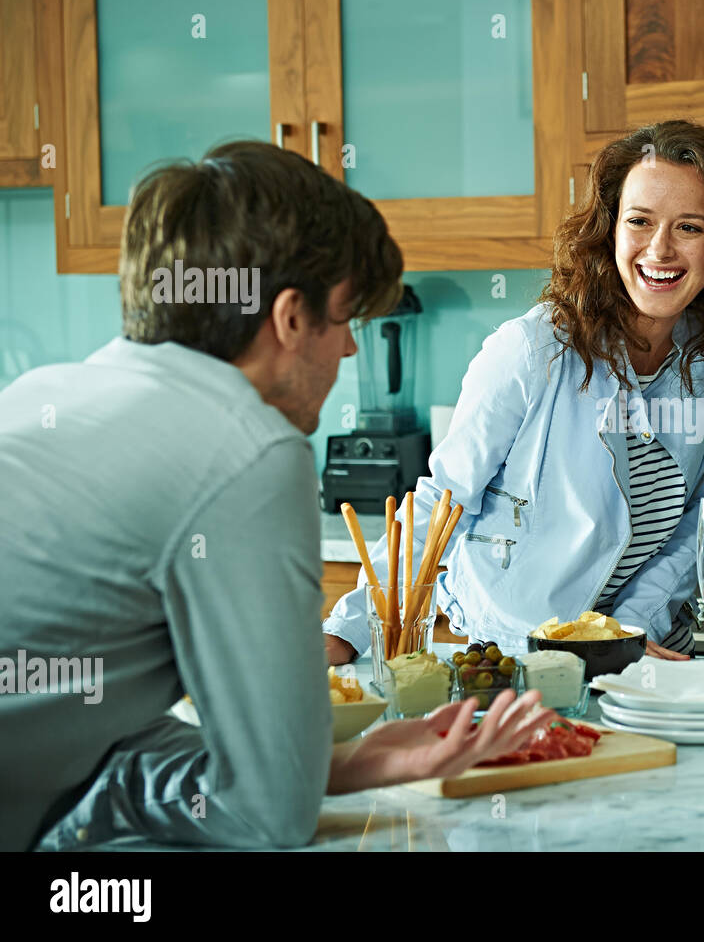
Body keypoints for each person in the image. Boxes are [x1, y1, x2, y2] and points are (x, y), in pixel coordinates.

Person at [0, 141, 551, 853]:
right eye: (346, 316)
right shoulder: (250, 451)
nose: (351, 350)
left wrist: (349, 760)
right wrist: (314, 773)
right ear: (291, 319)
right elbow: (267, 817)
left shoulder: (40, 393)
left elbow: (94, 734)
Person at [324, 120, 704, 663]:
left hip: (649, 653)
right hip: (517, 658)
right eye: (639, 221)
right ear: (611, 230)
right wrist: (350, 626)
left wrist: (629, 632)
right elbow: (442, 501)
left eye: (689, 226)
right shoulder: (531, 350)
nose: (659, 249)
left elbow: (698, 520)